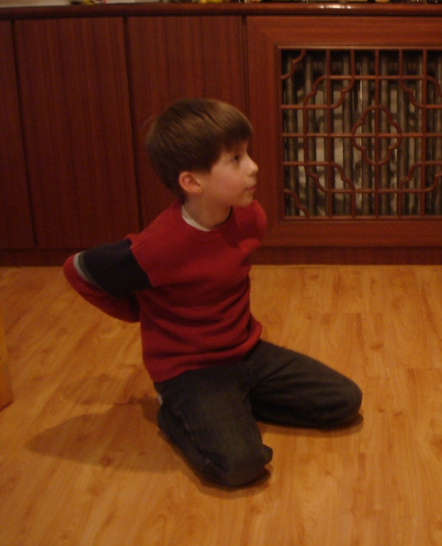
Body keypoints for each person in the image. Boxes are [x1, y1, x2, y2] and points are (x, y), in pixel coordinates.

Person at [64, 99, 362, 487]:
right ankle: (175, 412)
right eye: (236, 159)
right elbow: (78, 271)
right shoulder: (157, 248)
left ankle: (234, 404)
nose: (253, 166)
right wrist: (139, 311)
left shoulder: (251, 216)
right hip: (190, 371)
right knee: (241, 464)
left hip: (246, 351)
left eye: (247, 153)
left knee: (344, 400)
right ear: (192, 182)